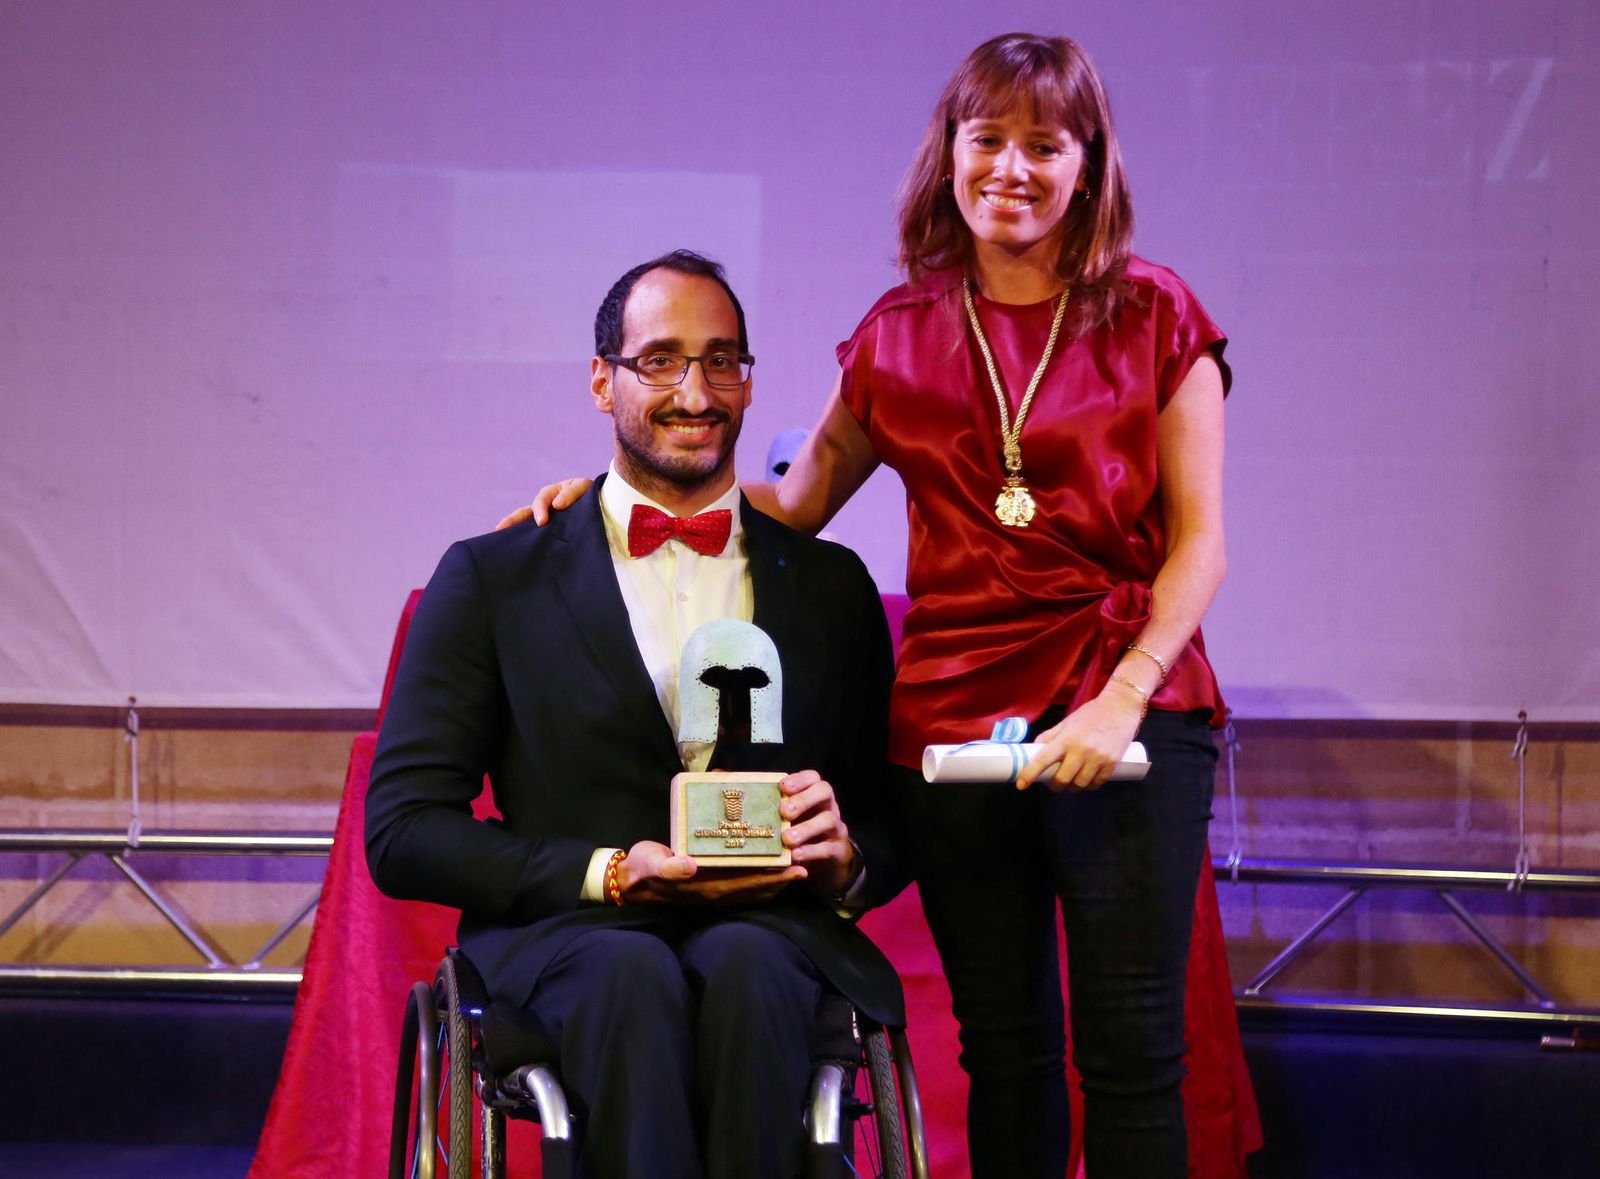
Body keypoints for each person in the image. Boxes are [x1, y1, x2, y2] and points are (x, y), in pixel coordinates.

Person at [511, 33, 1250, 1179]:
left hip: (1124, 707)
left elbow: (1200, 542)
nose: (1011, 167)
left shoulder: (1156, 315)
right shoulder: (898, 332)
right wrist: (616, 496)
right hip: (954, 719)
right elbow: (793, 502)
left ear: (1089, 164)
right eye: (986, 139)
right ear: (947, 155)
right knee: (1003, 1052)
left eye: (1042, 145)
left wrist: (1124, 699)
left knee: (1132, 1055)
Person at [366, 249, 908, 1179]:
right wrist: (607, 872)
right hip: (573, 939)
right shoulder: (495, 578)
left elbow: (894, 817)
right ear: (601, 380)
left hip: (773, 934)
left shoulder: (832, 586)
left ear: (747, 383)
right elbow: (405, 830)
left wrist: (848, 856)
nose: (694, 391)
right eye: (659, 360)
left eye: (721, 361)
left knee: (746, 965)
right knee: (629, 974)